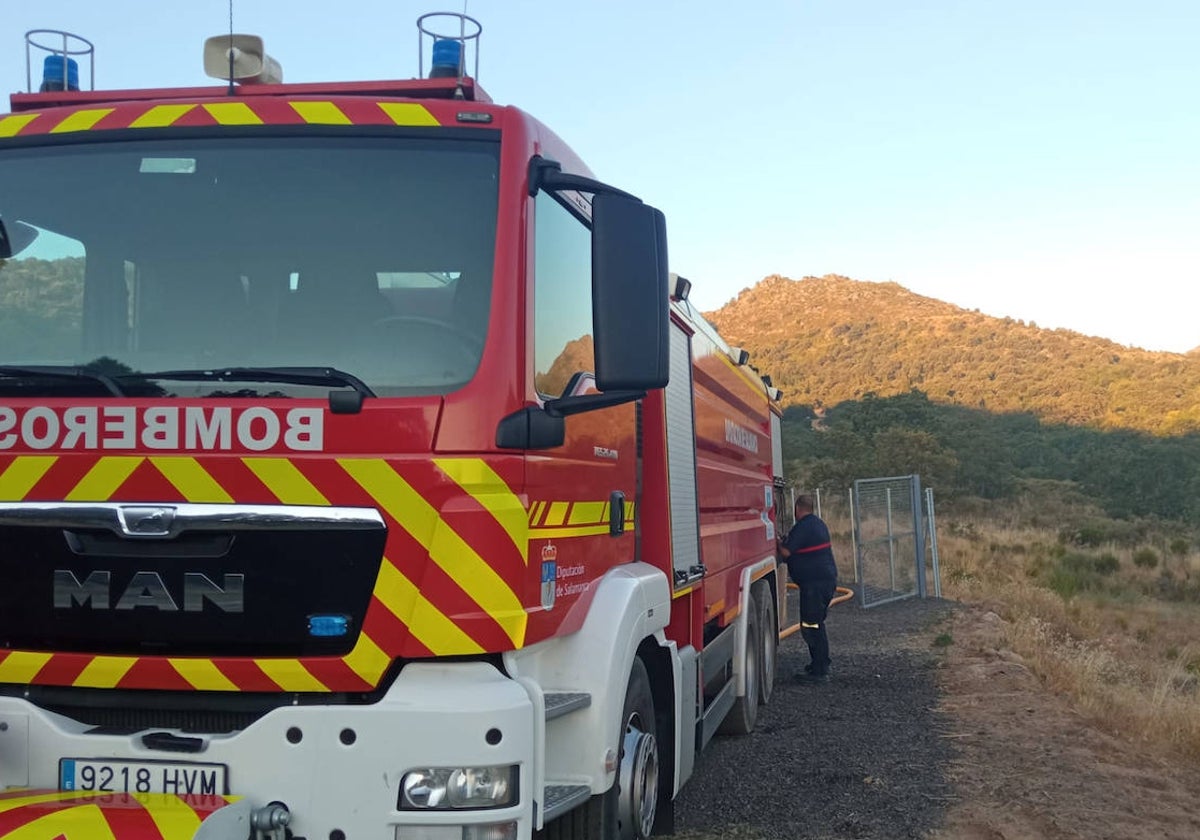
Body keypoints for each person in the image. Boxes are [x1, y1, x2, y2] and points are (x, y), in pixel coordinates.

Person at [776, 494, 838, 683]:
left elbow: (786, 551)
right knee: (815, 623)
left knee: (812, 625)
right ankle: (819, 664)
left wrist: (777, 542)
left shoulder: (804, 527)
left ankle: (820, 671)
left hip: (815, 585)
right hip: (822, 582)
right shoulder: (817, 524)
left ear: (797, 509)